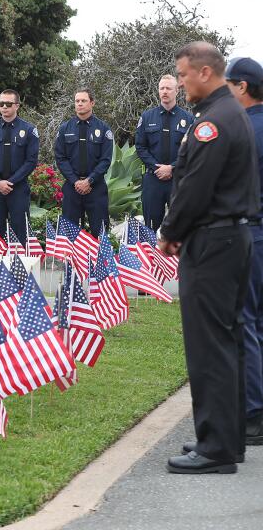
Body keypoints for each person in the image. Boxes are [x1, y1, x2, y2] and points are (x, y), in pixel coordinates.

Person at [159, 42, 260, 474]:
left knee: (209, 346)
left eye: (182, 76)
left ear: (204, 72)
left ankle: (215, 448)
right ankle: (225, 438)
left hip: (213, 243)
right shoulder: (229, 113)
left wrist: (169, 233)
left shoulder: (212, 123)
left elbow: (195, 187)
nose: (180, 84)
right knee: (229, 341)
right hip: (231, 240)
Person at [226, 56, 263, 447]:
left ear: (243, 88)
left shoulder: (245, 130)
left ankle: (253, 411)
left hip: (251, 232)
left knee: (246, 321)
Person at [0, 89, 39, 245]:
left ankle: (20, 267)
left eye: (8, 104)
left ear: (17, 106)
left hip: (18, 188)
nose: (4, 107)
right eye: (1, 104)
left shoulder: (29, 130)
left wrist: (11, 182)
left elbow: (31, 161)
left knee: (21, 231)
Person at [135, 75, 194, 231]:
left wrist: (172, 168)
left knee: (181, 228)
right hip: (153, 180)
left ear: (176, 91)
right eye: (162, 88)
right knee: (150, 229)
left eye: (168, 88)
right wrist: (157, 168)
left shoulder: (188, 119)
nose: (165, 92)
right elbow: (140, 147)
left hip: (178, 181)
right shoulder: (147, 117)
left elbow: (192, 150)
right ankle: (152, 256)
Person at [54, 88, 113, 237]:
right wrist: (75, 181)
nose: (79, 104)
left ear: (92, 103)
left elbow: (105, 160)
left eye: (83, 101)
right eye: (77, 101)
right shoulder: (64, 129)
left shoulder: (103, 129)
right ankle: (71, 261)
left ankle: (100, 260)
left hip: (96, 188)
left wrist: (89, 181)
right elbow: (60, 158)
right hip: (72, 187)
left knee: (100, 233)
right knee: (70, 234)